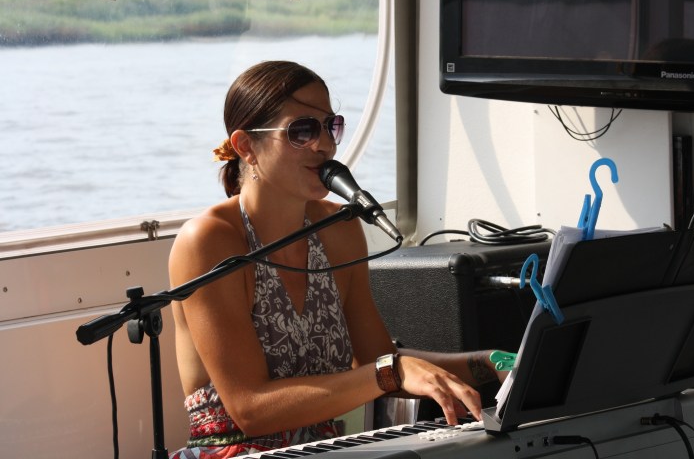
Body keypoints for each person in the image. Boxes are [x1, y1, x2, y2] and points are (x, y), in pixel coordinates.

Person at [168, 60, 507, 458]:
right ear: (246, 146)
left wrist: (492, 362)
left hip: (327, 450)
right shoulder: (209, 242)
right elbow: (250, 409)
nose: (325, 145)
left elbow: (380, 360)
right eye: (303, 130)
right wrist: (390, 373)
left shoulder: (340, 229)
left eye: (331, 126)